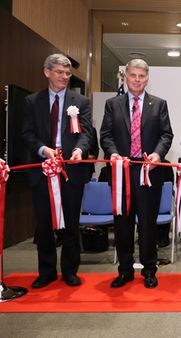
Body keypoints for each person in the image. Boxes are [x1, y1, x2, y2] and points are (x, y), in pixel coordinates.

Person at [100, 59, 174, 288]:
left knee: (148, 225)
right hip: (122, 172)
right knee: (122, 223)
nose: (137, 80)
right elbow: (105, 135)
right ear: (126, 76)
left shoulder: (159, 104)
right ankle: (125, 270)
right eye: (133, 75)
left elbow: (166, 135)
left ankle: (150, 269)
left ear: (147, 78)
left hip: (148, 173)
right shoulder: (113, 104)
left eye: (141, 76)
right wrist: (112, 153)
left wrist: (158, 155)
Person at [21, 53, 93, 288]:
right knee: (44, 224)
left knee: (71, 223)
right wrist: (43, 149)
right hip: (43, 170)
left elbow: (86, 133)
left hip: (72, 171)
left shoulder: (80, 102)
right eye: (60, 72)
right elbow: (27, 134)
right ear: (47, 72)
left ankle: (70, 271)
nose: (65, 77)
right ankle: (47, 271)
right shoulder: (33, 101)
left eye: (68, 73)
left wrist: (80, 150)